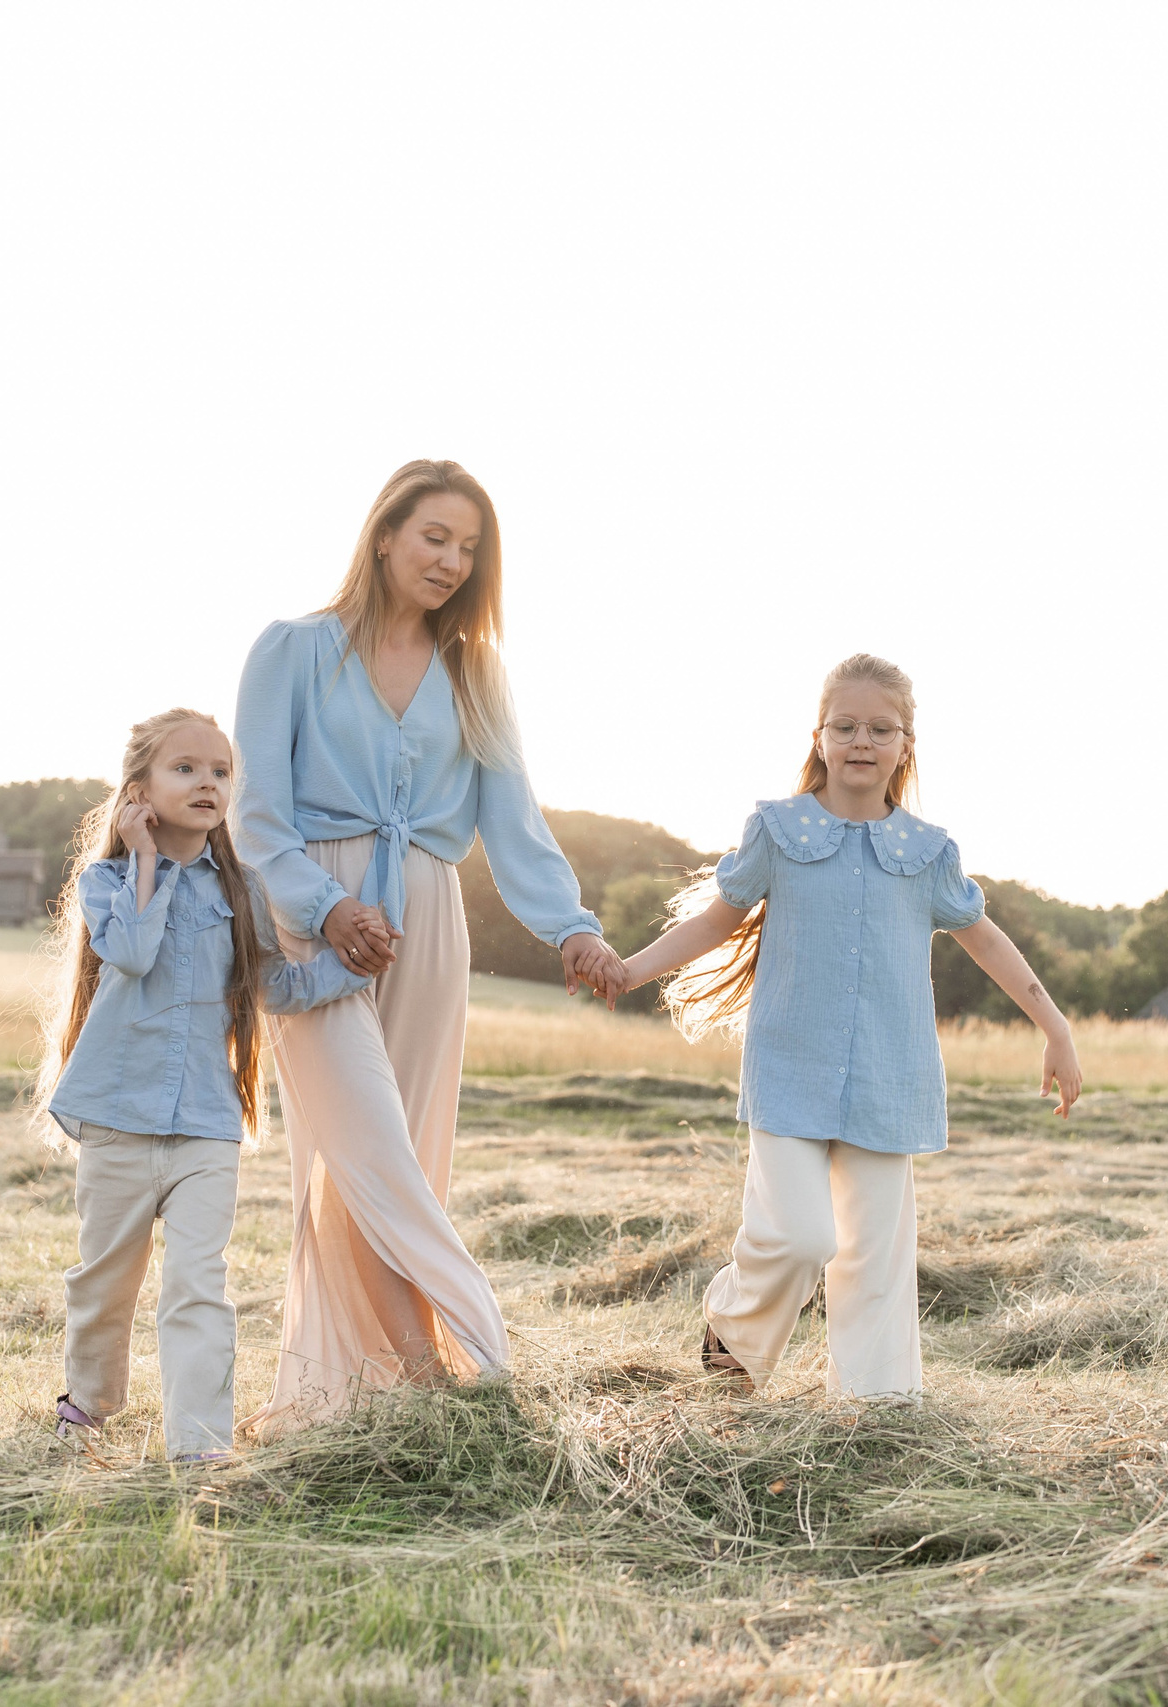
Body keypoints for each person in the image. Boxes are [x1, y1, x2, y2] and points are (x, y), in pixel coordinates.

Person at [232, 459, 627, 1429]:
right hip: (310, 930)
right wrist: (325, 909)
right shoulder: (290, 650)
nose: (452, 561)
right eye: (434, 537)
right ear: (383, 536)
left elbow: (513, 819)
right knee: (362, 1150)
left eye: (470, 548)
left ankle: (364, 1397)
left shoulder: (474, 671)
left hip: (427, 925)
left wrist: (569, 929)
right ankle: (457, 1367)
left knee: (401, 1150)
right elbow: (255, 817)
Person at [618, 654, 1082, 1401]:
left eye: (880, 727)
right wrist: (629, 969)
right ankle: (731, 1343)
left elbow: (987, 939)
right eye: (845, 725)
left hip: (887, 1080)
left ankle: (875, 1414)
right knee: (802, 1238)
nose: (861, 740)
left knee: (875, 1262)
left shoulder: (928, 853)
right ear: (819, 736)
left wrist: (1054, 1026)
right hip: (790, 1072)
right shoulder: (778, 828)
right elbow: (715, 918)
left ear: (906, 744)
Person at [38, 709, 368, 1461]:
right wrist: (144, 856)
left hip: (206, 1125)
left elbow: (273, 987)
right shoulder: (108, 882)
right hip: (119, 1121)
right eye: (185, 768)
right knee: (105, 1284)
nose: (208, 783)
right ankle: (88, 1405)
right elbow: (131, 948)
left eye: (220, 771)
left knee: (199, 1284)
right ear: (139, 791)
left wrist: (351, 965)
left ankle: (199, 1444)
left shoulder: (243, 890)